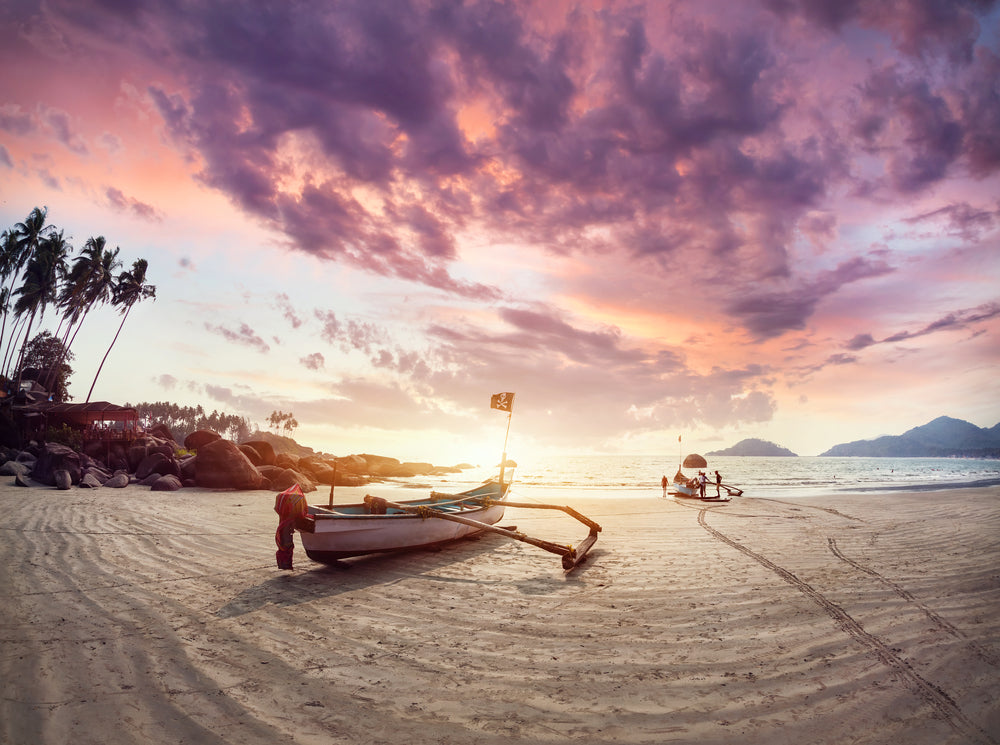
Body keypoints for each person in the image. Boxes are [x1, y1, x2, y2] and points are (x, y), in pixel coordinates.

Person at [274, 484, 313, 570]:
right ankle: (286, 565)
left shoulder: (283, 515)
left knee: (285, 546)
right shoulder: (290, 517)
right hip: (287, 530)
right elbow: (302, 513)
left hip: (283, 528)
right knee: (287, 545)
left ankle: (284, 565)